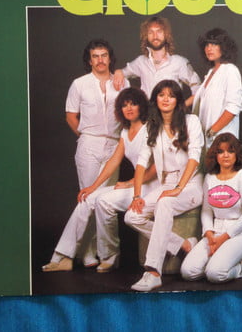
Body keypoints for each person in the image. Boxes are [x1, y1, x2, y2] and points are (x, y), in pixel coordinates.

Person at [42, 39, 127, 271]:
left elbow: (131, 110)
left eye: (104, 55)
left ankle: (101, 253)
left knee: (103, 200)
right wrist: (85, 137)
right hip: (89, 143)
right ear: (89, 60)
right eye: (95, 56)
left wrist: (121, 73)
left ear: (110, 58)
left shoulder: (121, 82)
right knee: (87, 197)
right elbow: (71, 116)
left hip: (115, 145)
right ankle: (86, 252)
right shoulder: (79, 84)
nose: (100, 60)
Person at [125, 79, 204, 292]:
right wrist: (137, 196)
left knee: (165, 203)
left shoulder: (191, 121)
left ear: (178, 100)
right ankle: (184, 245)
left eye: (171, 95)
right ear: (156, 99)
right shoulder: (151, 126)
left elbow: (194, 158)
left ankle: (153, 272)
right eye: (161, 95)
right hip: (166, 184)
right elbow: (141, 163)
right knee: (131, 216)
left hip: (190, 184)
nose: (166, 99)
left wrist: (178, 188)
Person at [92, 88, 160, 273]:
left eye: (133, 104)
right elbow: (114, 160)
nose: (129, 108)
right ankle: (108, 255)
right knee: (96, 198)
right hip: (137, 184)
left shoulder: (150, 128)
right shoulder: (125, 131)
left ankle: (110, 256)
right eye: (124, 105)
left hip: (152, 185)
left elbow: (156, 168)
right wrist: (94, 186)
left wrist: (130, 183)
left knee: (104, 201)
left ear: (141, 106)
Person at [180, 133, 242, 283]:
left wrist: (223, 239)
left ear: (237, 154)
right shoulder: (209, 178)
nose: (226, 155)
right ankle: (222, 261)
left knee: (215, 274)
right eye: (221, 151)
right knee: (188, 272)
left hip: (238, 234)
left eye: (230, 151)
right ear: (215, 155)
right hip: (215, 232)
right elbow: (206, 211)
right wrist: (210, 235)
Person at [113, 16, 201, 107]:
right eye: (151, 32)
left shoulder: (179, 62)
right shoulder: (140, 62)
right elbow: (122, 73)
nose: (155, 36)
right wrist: (118, 71)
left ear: (166, 34)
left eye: (159, 31)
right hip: (147, 114)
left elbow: (198, 88)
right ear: (146, 36)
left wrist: (181, 108)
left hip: (171, 115)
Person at [192, 28, 242, 148]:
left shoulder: (230, 70)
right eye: (207, 45)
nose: (209, 48)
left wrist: (212, 131)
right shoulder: (211, 72)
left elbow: (233, 107)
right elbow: (200, 96)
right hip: (205, 140)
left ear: (224, 47)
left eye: (214, 44)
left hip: (221, 140)